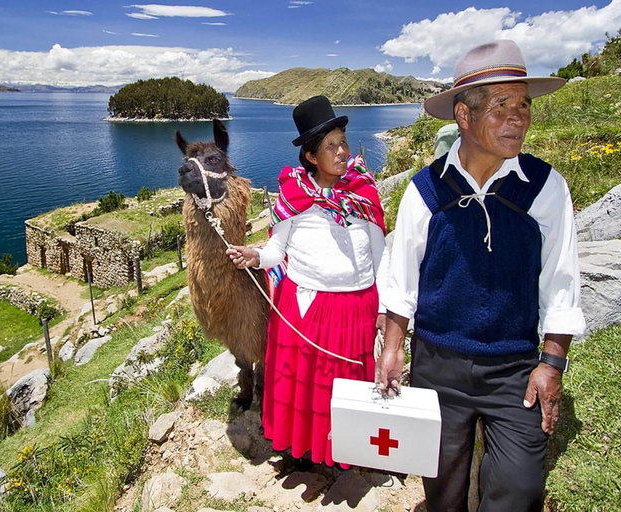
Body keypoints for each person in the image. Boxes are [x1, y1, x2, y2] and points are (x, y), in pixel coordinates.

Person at [375, 40, 586, 511]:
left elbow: (561, 279)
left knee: (518, 488)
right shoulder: (426, 190)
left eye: (524, 105)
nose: (519, 117)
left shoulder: (545, 187)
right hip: (437, 363)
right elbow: (402, 276)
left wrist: (551, 363)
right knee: (443, 487)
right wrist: (392, 349)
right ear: (464, 117)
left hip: (513, 368)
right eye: (501, 106)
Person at [227, 95, 389, 467]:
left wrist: (384, 306)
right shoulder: (293, 194)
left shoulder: (363, 191)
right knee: (309, 391)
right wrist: (256, 255)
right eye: (330, 146)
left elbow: (381, 254)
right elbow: (276, 250)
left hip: (355, 308)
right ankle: (310, 453)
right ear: (312, 157)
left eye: (343, 142)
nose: (342, 151)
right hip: (306, 308)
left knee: (346, 385)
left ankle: (347, 450)